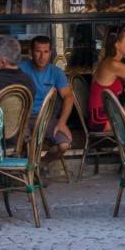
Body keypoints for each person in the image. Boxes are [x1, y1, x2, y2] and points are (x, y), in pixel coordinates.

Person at [20, 35, 75, 166]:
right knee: (21, 144)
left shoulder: (56, 73)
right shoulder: (20, 69)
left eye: (45, 52)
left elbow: (68, 96)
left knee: (64, 144)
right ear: (31, 52)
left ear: (50, 53)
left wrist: (62, 122)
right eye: (38, 51)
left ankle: (41, 165)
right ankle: (23, 172)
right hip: (23, 117)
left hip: (46, 118)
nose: (42, 56)